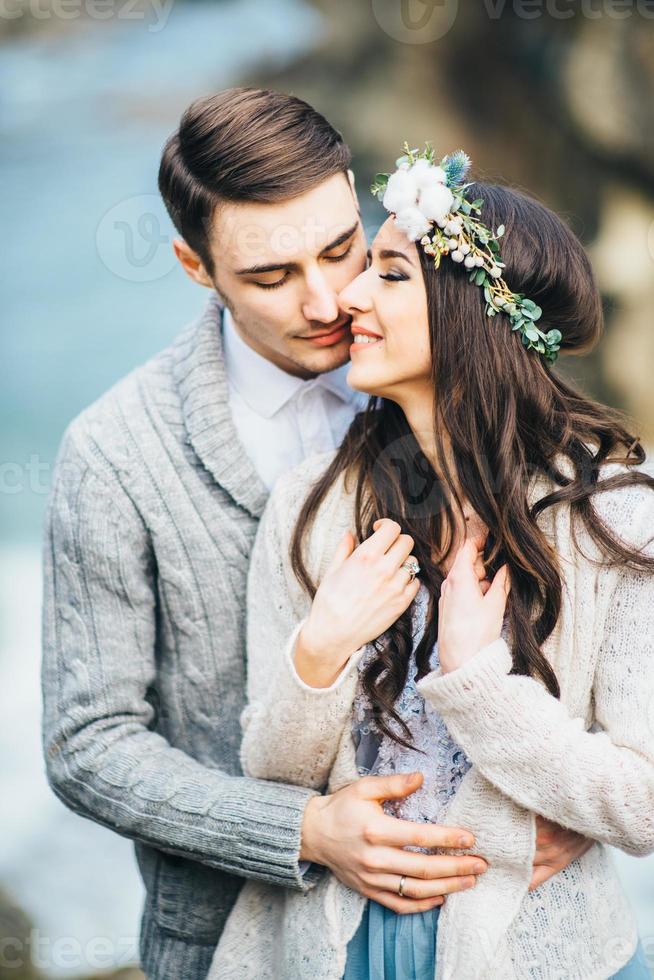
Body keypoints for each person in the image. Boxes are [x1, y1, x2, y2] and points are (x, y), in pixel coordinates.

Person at [41, 91, 592, 980]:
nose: (328, 299)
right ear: (193, 266)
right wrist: (299, 830)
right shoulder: (113, 454)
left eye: (341, 248)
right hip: (232, 942)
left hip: (489, 934)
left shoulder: (439, 370)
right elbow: (87, 744)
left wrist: (569, 801)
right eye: (269, 277)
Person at [208, 145, 654, 979]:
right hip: (333, 948)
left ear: (475, 312)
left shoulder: (617, 515)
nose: (347, 297)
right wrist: (320, 650)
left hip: (534, 951)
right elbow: (268, 771)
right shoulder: (315, 505)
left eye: (389, 274)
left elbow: (646, 803)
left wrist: (479, 685)